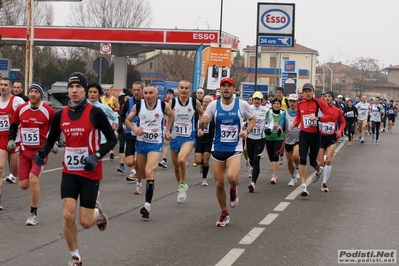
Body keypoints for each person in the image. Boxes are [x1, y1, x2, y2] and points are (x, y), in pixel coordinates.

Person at [34, 72, 117, 265]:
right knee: (68, 214)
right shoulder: (60, 114)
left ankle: (98, 214)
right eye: (71, 87)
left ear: (85, 90)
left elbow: (112, 139)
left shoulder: (95, 113)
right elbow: (52, 138)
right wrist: (42, 154)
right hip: (69, 172)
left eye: (78, 87)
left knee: (85, 222)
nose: (73, 90)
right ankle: (75, 256)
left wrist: (96, 156)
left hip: (90, 172)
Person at [200, 77, 255, 227]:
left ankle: (233, 189)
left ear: (233, 89)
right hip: (217, 148)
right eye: (223, 86)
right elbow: (204, 124)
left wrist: (247, 131)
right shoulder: (213, 105)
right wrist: (203, 121)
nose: (225, 89)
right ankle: (224, 213)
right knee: (218, 184)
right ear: (220, 90)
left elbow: (253, 119)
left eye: (228, 86)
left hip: (234, 148)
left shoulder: (241, 104)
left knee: (231, 177)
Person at [8, 82, 56, 225]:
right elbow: (14, 124)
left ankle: (33, 213)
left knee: (34, 180)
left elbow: (56, 127)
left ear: (41, 94)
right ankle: (32, 185)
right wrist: (11, 139)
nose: (33, 94)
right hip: (24, 151)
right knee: (23, 184)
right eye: (31, 92)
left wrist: (53, 142)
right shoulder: (22, 109)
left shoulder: (48, 111)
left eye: (36, 92)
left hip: (40, 152)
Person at [125, 84, 173, 218]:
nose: (148, 96)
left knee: (149, 171)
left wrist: (167, 130)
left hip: (155, 144)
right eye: (145, 93)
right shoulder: (138, 106)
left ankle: (147, 205)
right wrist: (135, 130)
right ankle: (142, 185)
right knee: (142, 173)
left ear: (156, 94)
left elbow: (171, 114)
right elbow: (127, 121)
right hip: (141, 143)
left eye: (151, 93)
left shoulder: (163, 106)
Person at [290, 83, 334, 197]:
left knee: (313, 161)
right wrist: (295, 123)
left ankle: (319, 171)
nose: (307, 93)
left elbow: (330, 116)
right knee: (303, 159)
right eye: (305, 91)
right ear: (303, 93)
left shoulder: (319, 103)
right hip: (304, 134)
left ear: (313, 92)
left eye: (309, 91)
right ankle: (304, 186)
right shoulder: (300, 104)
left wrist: (318, 118)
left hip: (316, 135)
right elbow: (299, 116)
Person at [166, 80, 204, 204]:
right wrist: (167, 130)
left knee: (181, 159)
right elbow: (168, 116)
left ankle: (182, 184)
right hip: (175, 137)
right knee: (176, 166)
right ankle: (181, 187)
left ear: (189, 90)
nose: (183, 90)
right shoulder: (172, 102)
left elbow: (203, 115)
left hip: (189, 137)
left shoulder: (194, 102)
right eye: (181, 88)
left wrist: (201, 128)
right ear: (178, 89)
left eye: (186, 88)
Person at [0, 77, 25, 209]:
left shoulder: (17, 101)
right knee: (0, 168)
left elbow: (26, 112)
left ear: (11, 88)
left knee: (15, 172)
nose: (3, 87)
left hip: (14, 140)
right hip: (1, 140)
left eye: (5, 85)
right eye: (1, 85)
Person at [313, 91, 345, 192]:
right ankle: (320, 170)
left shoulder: (337, 110)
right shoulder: (319, 110)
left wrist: (339, 131)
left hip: (332, 137)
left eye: (329, 96)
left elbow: (343, 122)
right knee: (320, 162)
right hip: (321, 137)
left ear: (333, 98)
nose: (327, 98)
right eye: (325, 96)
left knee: (329, 160)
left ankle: (324, 183)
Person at [119, 81, 144, 191]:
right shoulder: (129, 102)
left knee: (139, 161)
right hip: (130, 133)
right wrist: (120, 125)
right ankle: (135, 171)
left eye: (138, 90)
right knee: (130, 162)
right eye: (134, 90)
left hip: (143, 135)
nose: (136, 92)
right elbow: (122, 115)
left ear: (142, 90)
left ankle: (139, 183)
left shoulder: (147, 101)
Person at [246, 91, 267, 193]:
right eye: (255, 99)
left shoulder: (266, 110)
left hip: (260, 138)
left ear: (261, 100)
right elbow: (243, 119)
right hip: (250, 137)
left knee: (256, 160)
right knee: (251, 159)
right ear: (253, 100)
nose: (257, 101)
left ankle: (253, 183)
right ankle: (254, 170)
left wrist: (269, 127)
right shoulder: (248, 108)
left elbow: (270, 121)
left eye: (259, 99)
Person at [278, 94, 300, 186]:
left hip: (298, 138)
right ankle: (292, 176)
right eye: (290, 101)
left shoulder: (300, 113)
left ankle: (298, 167)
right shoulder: (285, 113)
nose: (291, 103)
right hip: (288, 139)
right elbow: (281, 124)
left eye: (293, 101)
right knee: (290, 161)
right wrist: (279, 129)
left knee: (295, 156)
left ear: (297, 102)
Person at [194, 95, 215, 186]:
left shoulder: (214, 113)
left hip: (209, 139)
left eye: (207, 102)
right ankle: (201, 165)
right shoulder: (199, 112)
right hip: (200, 139)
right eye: (204, 101)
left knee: (205, 160)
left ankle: (204, 178)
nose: (205, 103)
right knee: (198, 161)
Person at [264, 98, 285, 184]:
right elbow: (263, 122)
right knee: (271, 158)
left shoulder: (283, 113)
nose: (276, 105)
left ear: (280, 105)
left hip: (279, 138)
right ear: (272, 105)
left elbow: (286, 123)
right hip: (269, 138)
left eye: (278, 103)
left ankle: (274, 176)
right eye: (275, 103)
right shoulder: (268, 113)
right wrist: (266, 129)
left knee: (276, 155)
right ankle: (274, 165)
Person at [100, 86, 120, 161]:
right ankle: (101, 152)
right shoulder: (101, 98)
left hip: (111, 118)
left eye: (108, 90)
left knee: (111, 133)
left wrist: (112, 108)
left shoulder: (113, 99)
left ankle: (111, 151)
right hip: (104, 117)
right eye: (105, 90)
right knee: (102, 134)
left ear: (110, 91)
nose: (106, 91)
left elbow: (119, 108)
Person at [159, 88, 175, 169]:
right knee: (165, 142)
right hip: (166, 125)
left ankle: (182, 160)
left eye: (170, 94)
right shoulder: (164, 103)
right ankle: (164, 160)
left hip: (175, 126)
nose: (168, 95)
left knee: (176, 144)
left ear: (173, 95)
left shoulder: (175, 102)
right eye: (167, 94)